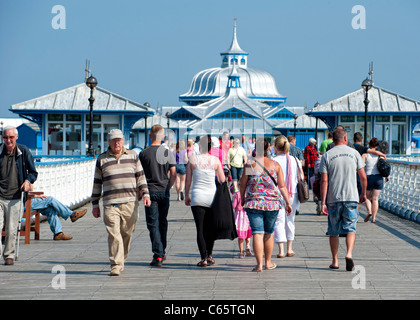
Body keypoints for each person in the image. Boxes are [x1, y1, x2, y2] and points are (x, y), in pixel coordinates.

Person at [91, 129, 151, 276]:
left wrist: (146, 194)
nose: (117, 142)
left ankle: (121, 258)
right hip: (110, 203)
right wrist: (94, 204)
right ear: (109, 142)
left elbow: (140, 177)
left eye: (119, 140)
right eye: (113, 140)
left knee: (127, 232)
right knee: (114, 234)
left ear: (123, 140)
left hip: (130, 201)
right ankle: (116, 264)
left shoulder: (133, 156)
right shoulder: (102, 159)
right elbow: (97, 183)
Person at [240, 138, 292, 272]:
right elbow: (282, 186)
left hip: (254, 203)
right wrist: (288, 203)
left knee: (257, 233)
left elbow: (243, 185)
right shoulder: (275, 165)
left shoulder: (250, 165)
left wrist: (242, 199)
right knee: (269, 233)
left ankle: (259, 265)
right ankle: (268, 263)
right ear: (268, 148)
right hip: (272, 204)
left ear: (255, 149)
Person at [319, 128, 367, 271]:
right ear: (345, 138)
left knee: (333, 231)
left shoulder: (327, 155)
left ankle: (335, 261)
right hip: (351, 197)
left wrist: (323, 202)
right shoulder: (354, 153)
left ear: (333, 140)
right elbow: (363, 176)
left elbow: (324, 181)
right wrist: (363, 193)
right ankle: (349, 253)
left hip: (333, 198)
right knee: (351, 228)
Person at [185, 135, 225, 267]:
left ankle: (203, 258)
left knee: (200, 229)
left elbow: (188, 180)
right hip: (212, 197)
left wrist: (186, 195)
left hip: (197, 196)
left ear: (200, 146)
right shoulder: (215, 160)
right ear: (210, 147)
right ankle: (210, 255)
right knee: (210, 228)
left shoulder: (193, 159)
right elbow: (222, 180)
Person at [139, 125, 177, 266]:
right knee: (163, 222)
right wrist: (170, 186)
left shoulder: (143, 154)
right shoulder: (167, 153)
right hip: (164, 191)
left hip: (150, 192)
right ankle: (162, 251)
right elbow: (173, 173)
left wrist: (139, 192)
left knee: (153, 224)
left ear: (150, 136)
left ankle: (158, 254)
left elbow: (139, 176)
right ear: (162, 137)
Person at [0, 126, 38, 265]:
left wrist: (28, 181)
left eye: (11, 137)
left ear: (16, 137)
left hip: (16, 196)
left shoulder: (24, 151)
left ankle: (9, 255)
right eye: (5, 137)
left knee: (11, 229)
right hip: (0, 195)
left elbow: (33, 172)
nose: (8, 140)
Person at [272, 135, 303, 258]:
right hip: (293, 193)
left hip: (278, 193)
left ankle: (281, 250)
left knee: (279, 221)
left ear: (276, 147)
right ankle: (290, 248)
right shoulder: (295, 159)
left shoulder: (274, 160)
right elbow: (301, 177)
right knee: (290, 220)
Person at [362, 138, 389, 223]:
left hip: (368, 177)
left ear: (369, 145)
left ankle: (369, 211)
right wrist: (386, 176)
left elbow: (361, 167)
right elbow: (384, 167)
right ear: (377, 146)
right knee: (375, 199)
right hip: (378, 178)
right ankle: (373, 218)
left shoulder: (365, 155)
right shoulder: (381, 156)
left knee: (366, 197)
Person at [231, 186, 252, 258]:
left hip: (239, 217)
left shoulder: (237, 194)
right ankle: (248, 246)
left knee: (240, 235)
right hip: (247, 215)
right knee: (247, 233)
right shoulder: (249, 193)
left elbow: (233, 206)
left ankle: (241, 252)